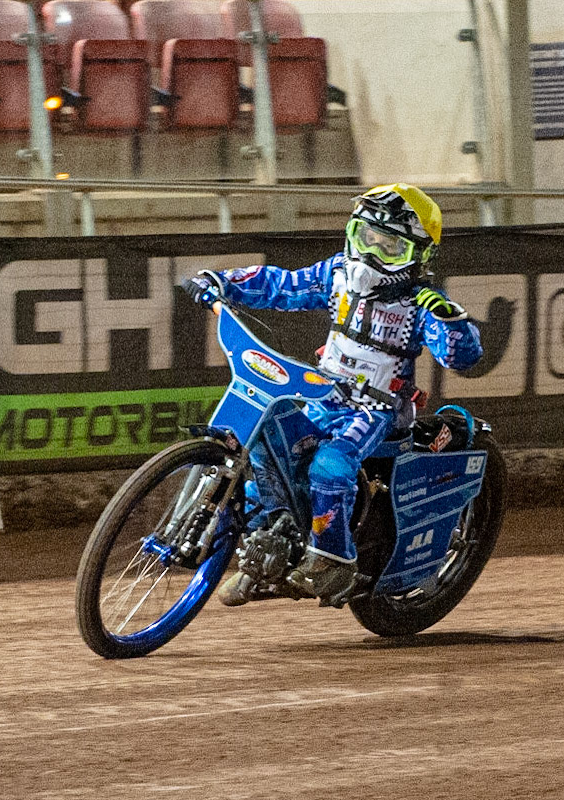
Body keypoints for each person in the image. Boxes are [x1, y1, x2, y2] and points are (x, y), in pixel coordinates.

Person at [183, 184, 483, 608]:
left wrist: (451, 319)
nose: (373, 254)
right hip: (325, 396)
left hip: (377, 410)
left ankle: (332, 559)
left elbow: (462, 356)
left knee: (330, 464)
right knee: (268, 435)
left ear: (418, 256)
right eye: (367, 237)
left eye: (391, 246)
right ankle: (268, 547)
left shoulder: (419, 304)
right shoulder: (337, 273)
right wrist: (222, 282)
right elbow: (282, 285)